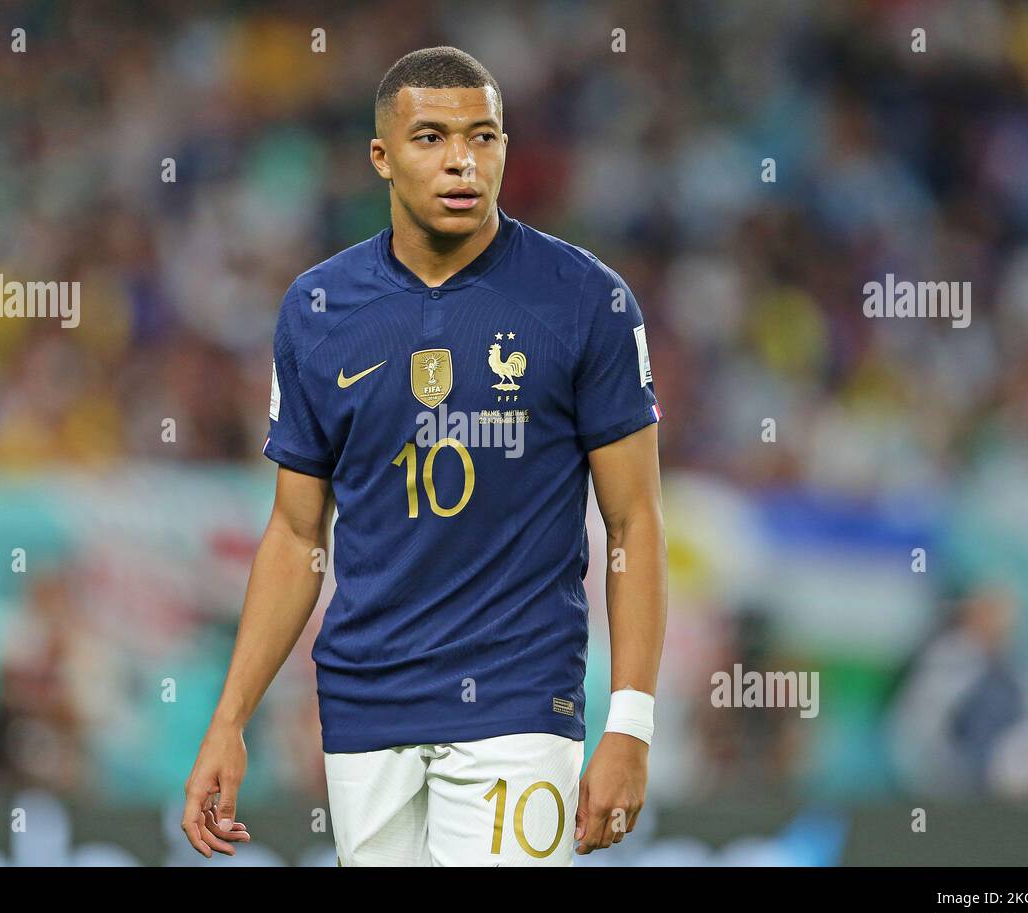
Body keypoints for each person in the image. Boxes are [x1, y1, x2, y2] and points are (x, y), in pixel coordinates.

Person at [181, 46, 667, 866]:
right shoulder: (319, 309)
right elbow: (298, 535)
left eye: (483, 138)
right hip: (366, 706)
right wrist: (229, 719)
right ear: (382, 156)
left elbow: (633, 520)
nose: (462, 163)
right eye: (432, 138)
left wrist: (630, 723)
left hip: (518, 698)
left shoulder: (587, 301)